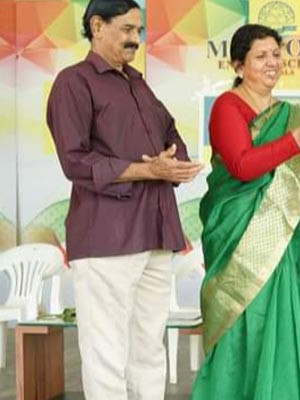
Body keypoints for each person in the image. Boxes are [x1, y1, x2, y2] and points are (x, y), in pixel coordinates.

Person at [46, 0, 203, 398]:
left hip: (156, 232)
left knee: (149, 347)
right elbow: (75, 161)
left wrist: (174, 163)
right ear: (97, 26)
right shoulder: (73, 82)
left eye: (139, 30)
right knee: (106, 351)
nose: (136, 39)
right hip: (107, 237)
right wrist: (147, 170)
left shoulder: (138, 83)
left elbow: (170, 132)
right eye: (127, 29)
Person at [191, 24, 300, 400]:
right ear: (238, 65)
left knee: (283, 319)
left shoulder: (291, 114)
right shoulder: (228, 107)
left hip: (283, 235)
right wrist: (299, 137)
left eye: (276, 54)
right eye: (261, 56)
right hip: (240, 235)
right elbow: (243, 166)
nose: (272, 62)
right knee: (247, 320)